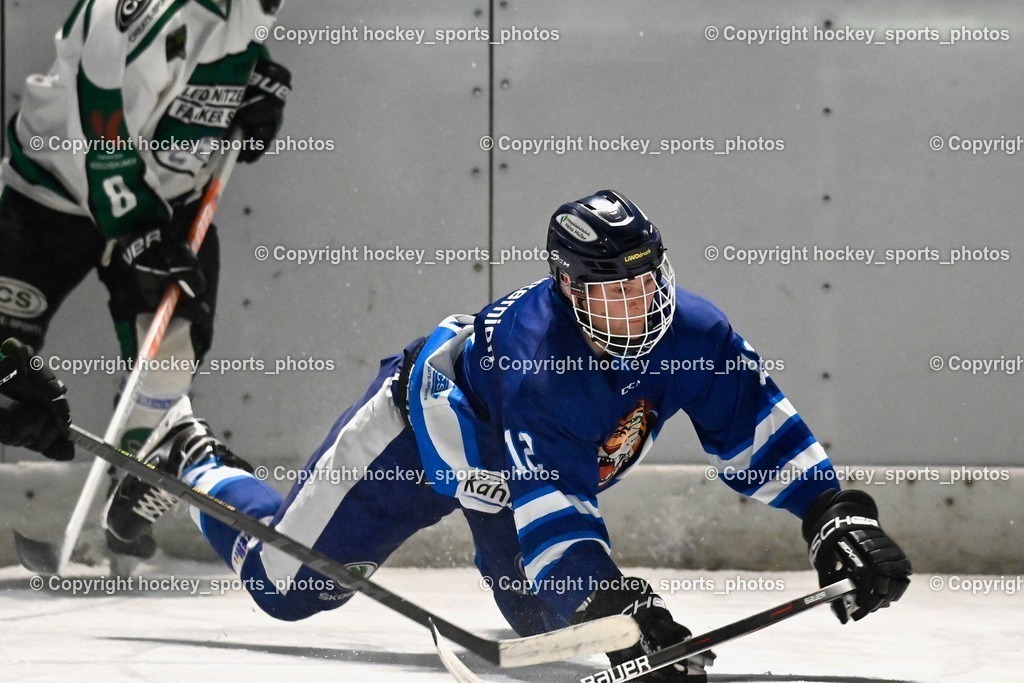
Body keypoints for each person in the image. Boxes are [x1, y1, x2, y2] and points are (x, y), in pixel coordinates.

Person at [97, 190, 909, 682]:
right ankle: (188, 455)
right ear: (566, 286)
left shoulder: (693, 328)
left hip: (510, 477)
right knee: (286, 587)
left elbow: (756, 427)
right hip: (416, 443)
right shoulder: (537, 359)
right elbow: (555, 507)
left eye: (646, 282)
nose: (637, 309)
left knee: (553, 631)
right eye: (610, 292)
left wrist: (835, 514)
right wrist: (613, 603)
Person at [0, 0, 291, 556]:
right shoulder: (142, 9)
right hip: (51, 189)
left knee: (172, 345)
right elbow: (99, 114)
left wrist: (247, 83)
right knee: (6, 364)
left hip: (162, 195)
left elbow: (216, 47)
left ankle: (139, 472)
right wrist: (135, 226)